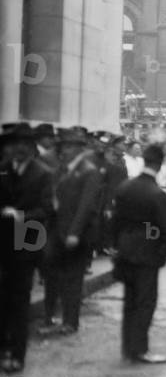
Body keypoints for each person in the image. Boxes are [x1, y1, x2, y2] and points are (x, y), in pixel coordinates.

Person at [111, 143, 166, 364]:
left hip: (125, 251)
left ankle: (127, 348)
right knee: (145, 302)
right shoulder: (156, 194)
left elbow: (115, 222)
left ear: (144, 161)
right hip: (147, 254)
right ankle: (140, 349)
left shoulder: (125, 187)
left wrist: (115, 245)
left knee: (129, 302)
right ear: (160, 164)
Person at [0, 123, 55, 373]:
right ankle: (4, 349)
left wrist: (20, 215)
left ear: (30, 148)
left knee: (20, 300)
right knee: (3, 300)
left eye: (23, 144)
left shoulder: (42, 174)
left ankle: (17, 354)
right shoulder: (3, 172)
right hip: (3, 245)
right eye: (14, 145)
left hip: (26, 244)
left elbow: (46, 210)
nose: (18, 149)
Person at [41, 128, 103, 336]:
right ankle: (49, 316)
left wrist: (75, 232)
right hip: (56, 230)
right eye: (62, 147)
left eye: (69, 147)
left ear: (79, 149)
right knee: (51, 273)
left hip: (78, 234)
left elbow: (86, 206)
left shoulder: (89, 171)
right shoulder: (60, 170)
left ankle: (70, 321)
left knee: (73, 279)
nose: (64, 151)